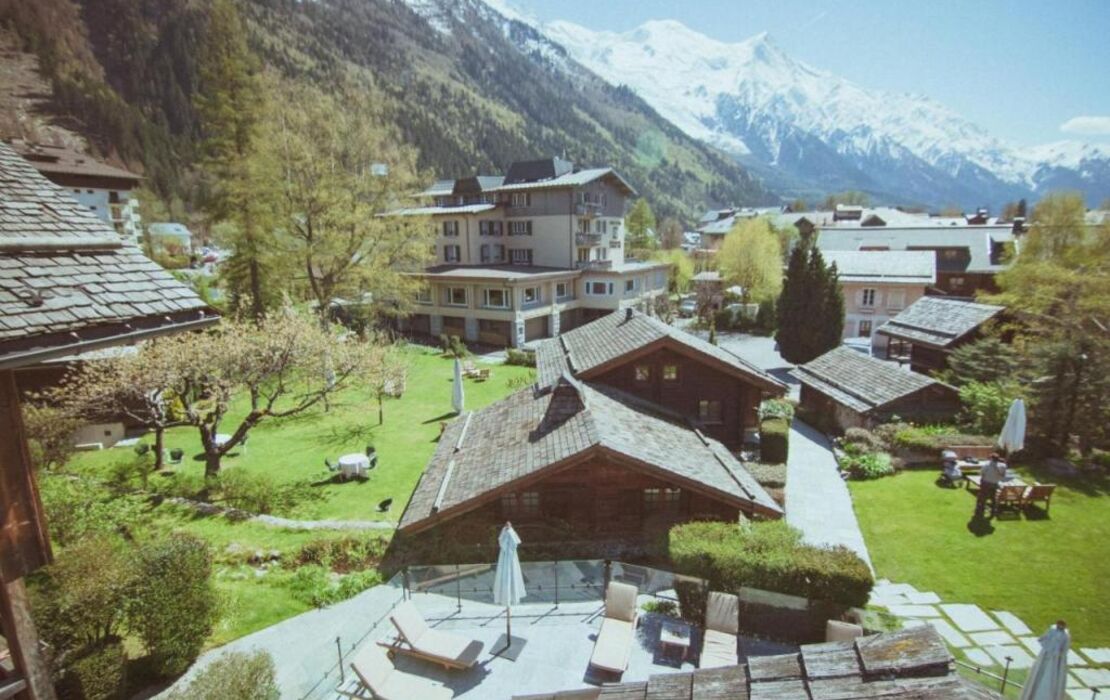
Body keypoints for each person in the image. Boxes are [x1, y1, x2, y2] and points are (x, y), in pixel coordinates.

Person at [974, 452, 1006, 519]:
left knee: (983, 497)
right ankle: (993, 510)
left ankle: (981, 510)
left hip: (986, 483)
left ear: (991, 458)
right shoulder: (1003, 466)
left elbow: (982, 473)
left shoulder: (987, 465)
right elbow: (1003, 475)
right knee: (993, 497)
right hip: (995, 483)